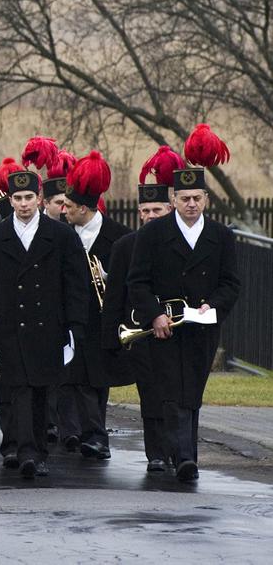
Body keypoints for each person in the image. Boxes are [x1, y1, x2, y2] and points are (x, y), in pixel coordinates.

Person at [127, 125, 240, 482]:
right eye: (185, 197)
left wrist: (213, 306)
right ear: (174, 198)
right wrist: (155, 315)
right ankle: (185, 458)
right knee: (172, 391)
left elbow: (231, 283)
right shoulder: (153, 234)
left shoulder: (221, 236)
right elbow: (137, 282)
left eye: (197, 197)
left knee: (192, 390)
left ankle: (182, 455)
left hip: (202, 327)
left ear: (206, 198)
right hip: (166, 327)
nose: (191, 204)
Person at [0, 169, 90, 479]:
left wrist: (75, 326)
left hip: (49, 326)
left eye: (29, 197)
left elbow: (76, 284)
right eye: (18, 198)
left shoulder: (62, 235)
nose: (24, 204)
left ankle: (37, 449)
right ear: (10, 200)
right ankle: (27, 451)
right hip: (11, 325)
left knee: (43, 392)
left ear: (39, 199)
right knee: (20, 390)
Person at [101, 146, 179, 473]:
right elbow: (116, 294)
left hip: (177, 332)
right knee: (150, 395)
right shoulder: (125, 246)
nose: (148, 216)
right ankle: (156, 454)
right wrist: (110, 338)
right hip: (142, 333)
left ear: (170, 209)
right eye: (144, 210)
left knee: (177, 394)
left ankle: (180, 450)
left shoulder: (180, 243)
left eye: (156, 210)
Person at [59, 151, 132, 460]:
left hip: (104, 319)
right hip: (71, 318)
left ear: (85, 209)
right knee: (74, 379)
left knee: (97, 381)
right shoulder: (61, 235)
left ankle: (94, 435)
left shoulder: (119, 238)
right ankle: (86, 435)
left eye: (69, 206)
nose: (63, 210)